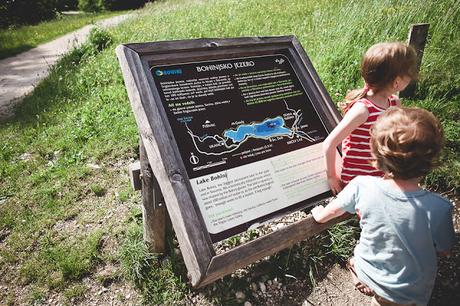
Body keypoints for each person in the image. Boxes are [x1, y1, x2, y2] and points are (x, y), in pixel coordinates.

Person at [312, 107, 455, 306]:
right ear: (432, 160)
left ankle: (360, 272)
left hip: (368, 273)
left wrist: (318, 213)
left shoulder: (362, 185)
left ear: (377, 154)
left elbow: (327, 214)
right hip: (409, 292)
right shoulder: (439, 208)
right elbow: (444, 250)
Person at [324, 42, 418, 194]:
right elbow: (329, 143)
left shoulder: (394, 103)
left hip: (382, 176)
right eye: (409, 73)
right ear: (397, 82)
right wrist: (332, 177)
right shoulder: (363, 110)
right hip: (358, 182)